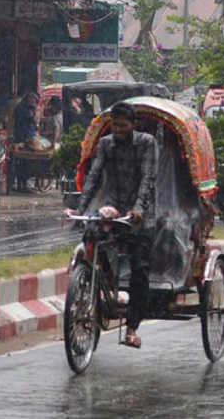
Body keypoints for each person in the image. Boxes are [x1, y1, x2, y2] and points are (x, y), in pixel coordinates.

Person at [67, 102, 159, 349]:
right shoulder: (106, 144)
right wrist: (80, 208)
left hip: (141, 215)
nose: (118, 129)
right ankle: (103, 290)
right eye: (115, 125)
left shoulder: (147, 143)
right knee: (92, 239)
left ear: (133, 125)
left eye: (123, 125)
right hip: (114, 209)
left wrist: (138, 209)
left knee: (140, 268)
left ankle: (131, 327)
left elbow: (148, 179)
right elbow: (94, 176)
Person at [12, 92, 39, 192]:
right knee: (23, 162)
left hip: (27, 137)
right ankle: (21, 184)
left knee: (26, 163)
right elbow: (29, 121)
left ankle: (23, 184)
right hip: (22, 138)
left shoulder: (26, 108)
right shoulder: (22, 109)